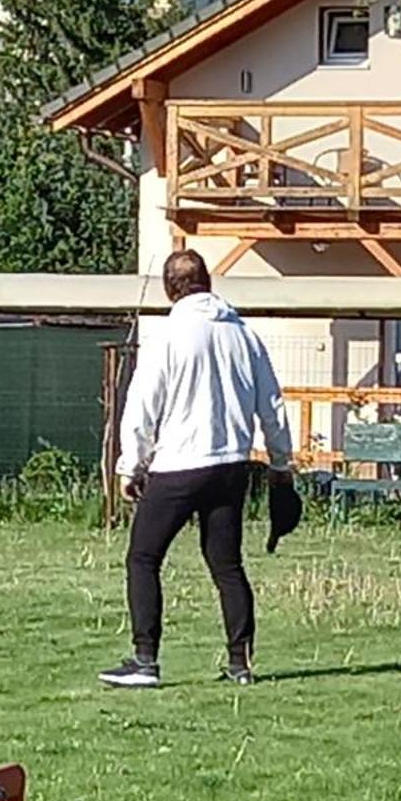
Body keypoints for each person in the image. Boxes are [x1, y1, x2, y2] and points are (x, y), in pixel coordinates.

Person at [100, 250, 294, 690]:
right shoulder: (244, 335)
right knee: (227, 564)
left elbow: (143, 406)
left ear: (171, 289)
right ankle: (240, 662)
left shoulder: (168, 335)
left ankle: (145, 660)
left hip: (180, 464)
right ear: (208, 282)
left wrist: (132, 465)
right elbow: (273, 406)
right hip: (231, 466)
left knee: (144, 557)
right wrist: (281, 464)